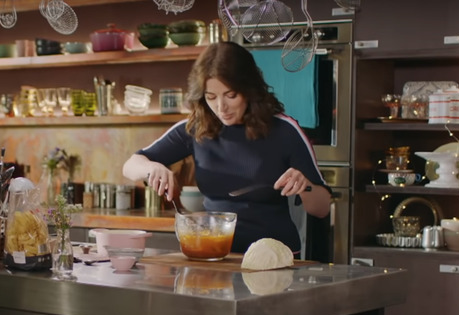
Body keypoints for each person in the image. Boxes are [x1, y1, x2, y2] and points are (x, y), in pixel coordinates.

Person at [122, 41, 331, 254]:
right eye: (211, 97)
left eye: (231, 95)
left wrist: (305, 186)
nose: (221, 108)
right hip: (215, 252)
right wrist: (152, 169)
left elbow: (322, 208)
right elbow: (131, 165)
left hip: (274, 256)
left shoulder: (284, 130)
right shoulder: (197, 127)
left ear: (249, 90)